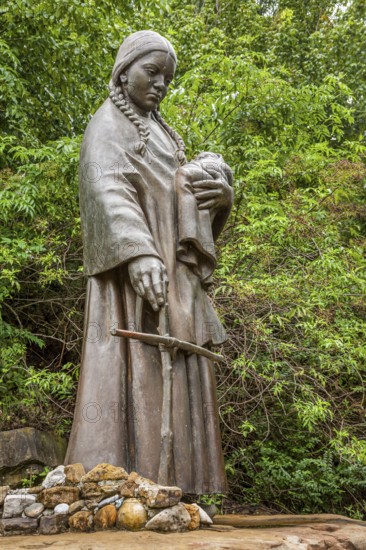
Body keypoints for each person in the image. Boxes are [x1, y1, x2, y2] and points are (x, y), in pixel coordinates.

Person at [65, 30, 233, 495]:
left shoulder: (161, 130)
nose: (160, 84)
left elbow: (180, 194)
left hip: (175, 278)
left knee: (179, 367)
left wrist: (222, 197)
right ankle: (117, 484)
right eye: (152, 72)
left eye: (168, 77)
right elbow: (105, 187)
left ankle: (185, 484)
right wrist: (138, 252)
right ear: (125, 71)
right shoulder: (107, 124)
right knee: (130, 363)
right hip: (131, 276)